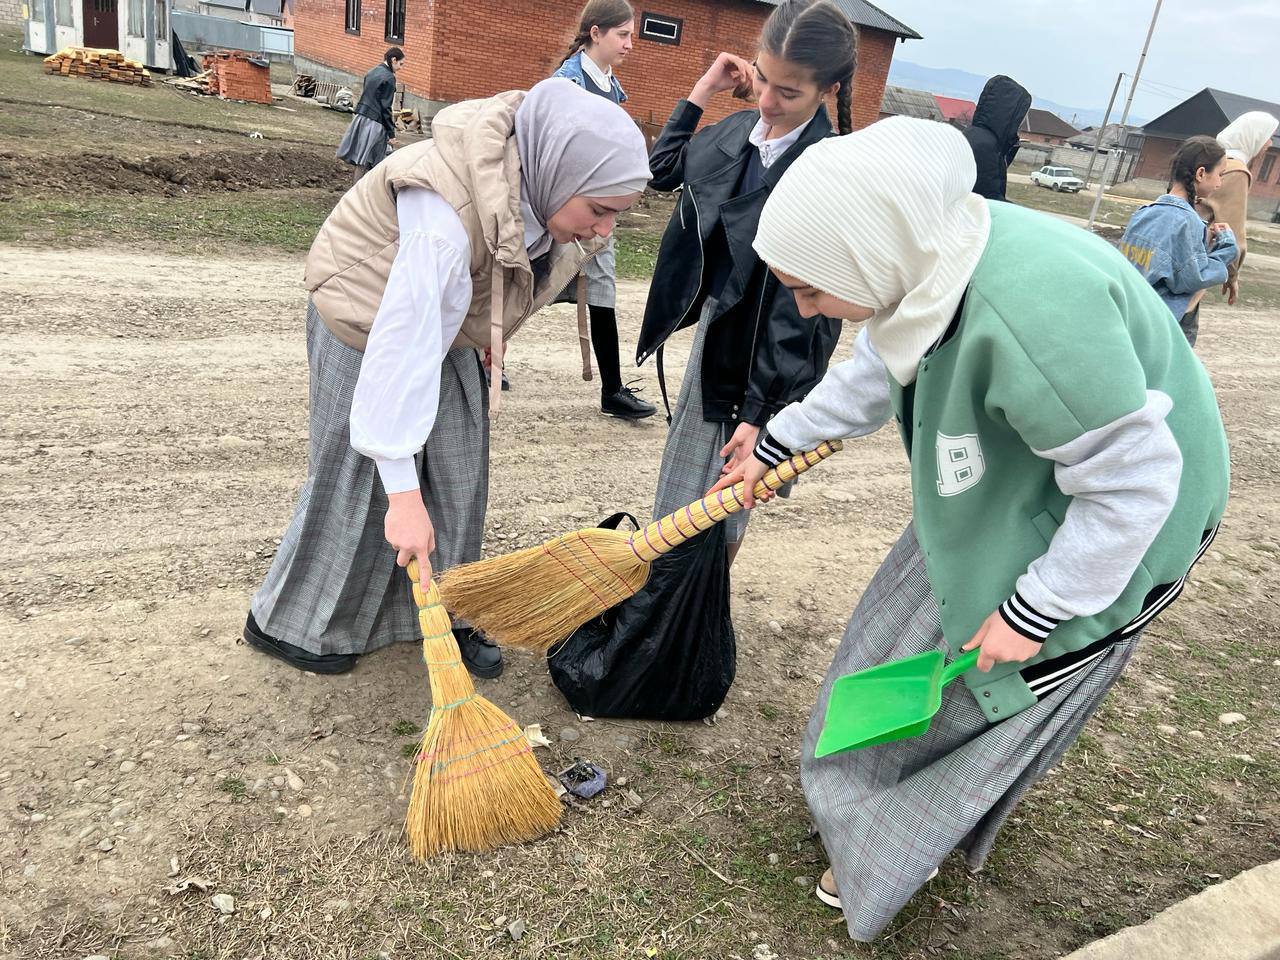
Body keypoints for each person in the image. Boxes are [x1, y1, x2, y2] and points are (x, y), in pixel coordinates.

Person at [714, 117, 1229, 942]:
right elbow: (879, 364)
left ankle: (888, 852)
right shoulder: (924, 263)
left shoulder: (1029, 311)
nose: (807, 311)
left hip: (1121, 516)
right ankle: (855, 807)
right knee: (901, 637)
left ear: (870, 255)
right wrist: (781, 439)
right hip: (1021, 478)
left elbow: (1134, 488)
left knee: (975, 699)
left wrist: (1038, 609)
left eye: (811, 290)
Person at [244, 79, 651, 679]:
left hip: (441, 320)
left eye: (616, 213)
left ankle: (442, 615)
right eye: (599, 210)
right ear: (557, 175)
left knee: (458, 466)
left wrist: (492, 336)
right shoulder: (445, 217)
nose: (605, 230)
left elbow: (502, 273)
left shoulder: (532, 183)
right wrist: (403, 494)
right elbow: (402, 349)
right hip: (366, 316)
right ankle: (302, 624)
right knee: (366, 482)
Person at [639, 0, 856, 566]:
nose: (766, 100)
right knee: (685, 482)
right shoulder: (740, 130)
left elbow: (806, 315)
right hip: (719, 331)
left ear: (827, 89)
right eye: (762, 77)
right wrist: (704, 86)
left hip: (771, 355)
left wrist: (765, 410)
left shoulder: (830, 169)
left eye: (788, 92)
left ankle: (697, 604)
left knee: (733, 491)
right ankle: (667, 597)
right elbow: (662, 171)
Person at [550, 0, 657, 420]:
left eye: (631, 35)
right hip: (562, 210)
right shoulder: (566, 83)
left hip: (598, 212)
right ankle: (487, 361)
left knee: (603, 289)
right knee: (523, 284)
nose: (631, 44)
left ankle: (612, 391)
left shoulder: (609, 85)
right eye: (624, 35)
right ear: (596, 33)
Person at [1119, 135, 1238, 345]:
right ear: (1201, 173)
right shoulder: (1188, 223)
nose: (1220, 184)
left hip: (1128, 315)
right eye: (1220, 175)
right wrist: (1226, 246)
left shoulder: (1144, 213)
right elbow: (1193, 278)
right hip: (1160, 328)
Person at [1199, 111, 1280, 307]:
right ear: (1252, 136)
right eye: (1267, 137)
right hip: (1197, 256)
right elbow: (1232, 230)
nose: (1269, 143)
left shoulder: (1210, 160)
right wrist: (1232, 274)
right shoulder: (1236, 170)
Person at [336, 47, 404, 185]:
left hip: (361, 118)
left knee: (361, 156)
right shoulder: (390, 78)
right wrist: (391, 134)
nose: (400, 68)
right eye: (400, 64)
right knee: (368, 158)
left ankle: (359, 191)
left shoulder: (372, 71)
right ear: (393, 60)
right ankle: (359, 194)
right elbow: (385, 108)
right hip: (375, 122)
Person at [960, 74, 1031, 201]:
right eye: (1020, 118)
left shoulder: (975, 135)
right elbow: (989, 198)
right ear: (1010, 117)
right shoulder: (985, 148)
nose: (1021, 124)